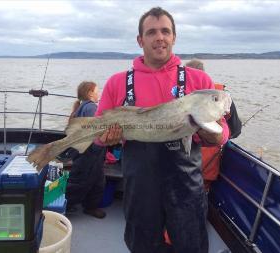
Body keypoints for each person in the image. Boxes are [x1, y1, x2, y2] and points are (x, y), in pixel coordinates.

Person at [92, 7, 230, 253]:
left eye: (166, 31)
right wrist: (105, 138)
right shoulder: (117, 82)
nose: (160, 37)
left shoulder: (199, 82)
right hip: (140, 186)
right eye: (152, 32)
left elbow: (222, 133)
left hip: (186, 186)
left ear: (174, 37)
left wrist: (214, 134)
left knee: (192, 246)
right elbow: (98, 138)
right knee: (143, 245)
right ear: (140, 40)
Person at [186, 59, 242, 191]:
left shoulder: (181, 96)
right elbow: (236, 130)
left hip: (182, 167)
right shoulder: (221, 94)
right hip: (206, 168)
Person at [64, 81, 107, 219]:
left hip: (85, 150)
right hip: (89, 151)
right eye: (97, 91)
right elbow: (96, 129)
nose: (99, 93)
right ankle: (66, 205)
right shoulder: (91, 108)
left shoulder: (82, 107)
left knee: (97, 180)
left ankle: (90, 206)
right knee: (80, 181)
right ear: (90, 93)